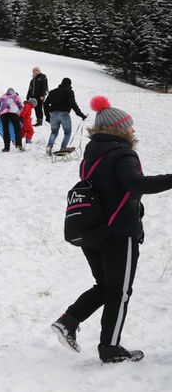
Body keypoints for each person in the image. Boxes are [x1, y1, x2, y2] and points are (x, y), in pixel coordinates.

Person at [51, 96, 172, 363]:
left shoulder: (92, 154)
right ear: (118, 128)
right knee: (119, 291)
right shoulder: (123, 153)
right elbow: (136, 185)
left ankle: (68, 321)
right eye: (129, 126)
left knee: (106, 286)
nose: (133, 129)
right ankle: (110, 347)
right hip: (119, 233)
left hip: (92, 231)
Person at [45, 77, 88, 155]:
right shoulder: (69, 91)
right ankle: (63, 149)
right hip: (64, 114)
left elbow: (45, 104)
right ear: (69, 84)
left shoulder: (53, 91)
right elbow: (73, 104)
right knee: (67, 132)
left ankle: (49, 146)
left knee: (54, 132)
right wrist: (81, 115)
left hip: (53, 114)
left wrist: (47, 115)